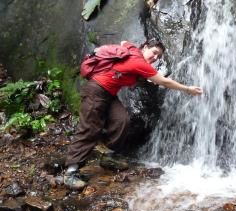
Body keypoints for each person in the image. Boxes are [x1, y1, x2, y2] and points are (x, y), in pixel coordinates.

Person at [64, 39, 203, 189]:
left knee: (121, 120)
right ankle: (71, 171)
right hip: (95, 90)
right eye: (154, 52)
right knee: (90, 129)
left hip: (109, 93)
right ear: (144, 48)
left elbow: (124, 42)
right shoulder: (139, 62)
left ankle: (108, 156)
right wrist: (188, 89)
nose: (155, 58)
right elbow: (164, 82)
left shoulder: (131, 50)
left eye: (158, 57)